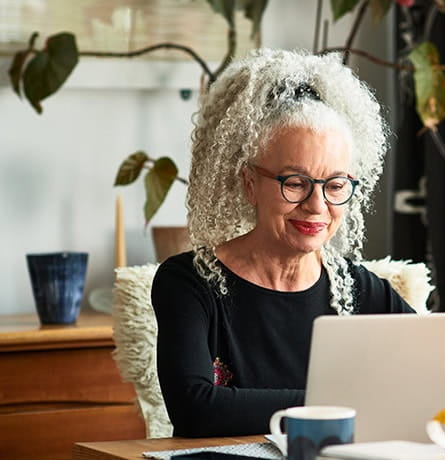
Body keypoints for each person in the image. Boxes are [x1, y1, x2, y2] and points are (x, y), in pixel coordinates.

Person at [151, 49, 416, 438]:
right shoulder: (189, 283)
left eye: (335, 185)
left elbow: (433, 376)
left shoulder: (360, 290)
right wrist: (342, 404)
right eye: (295, 183)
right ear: (249, 184)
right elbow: (195, 409)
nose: (316, 205)